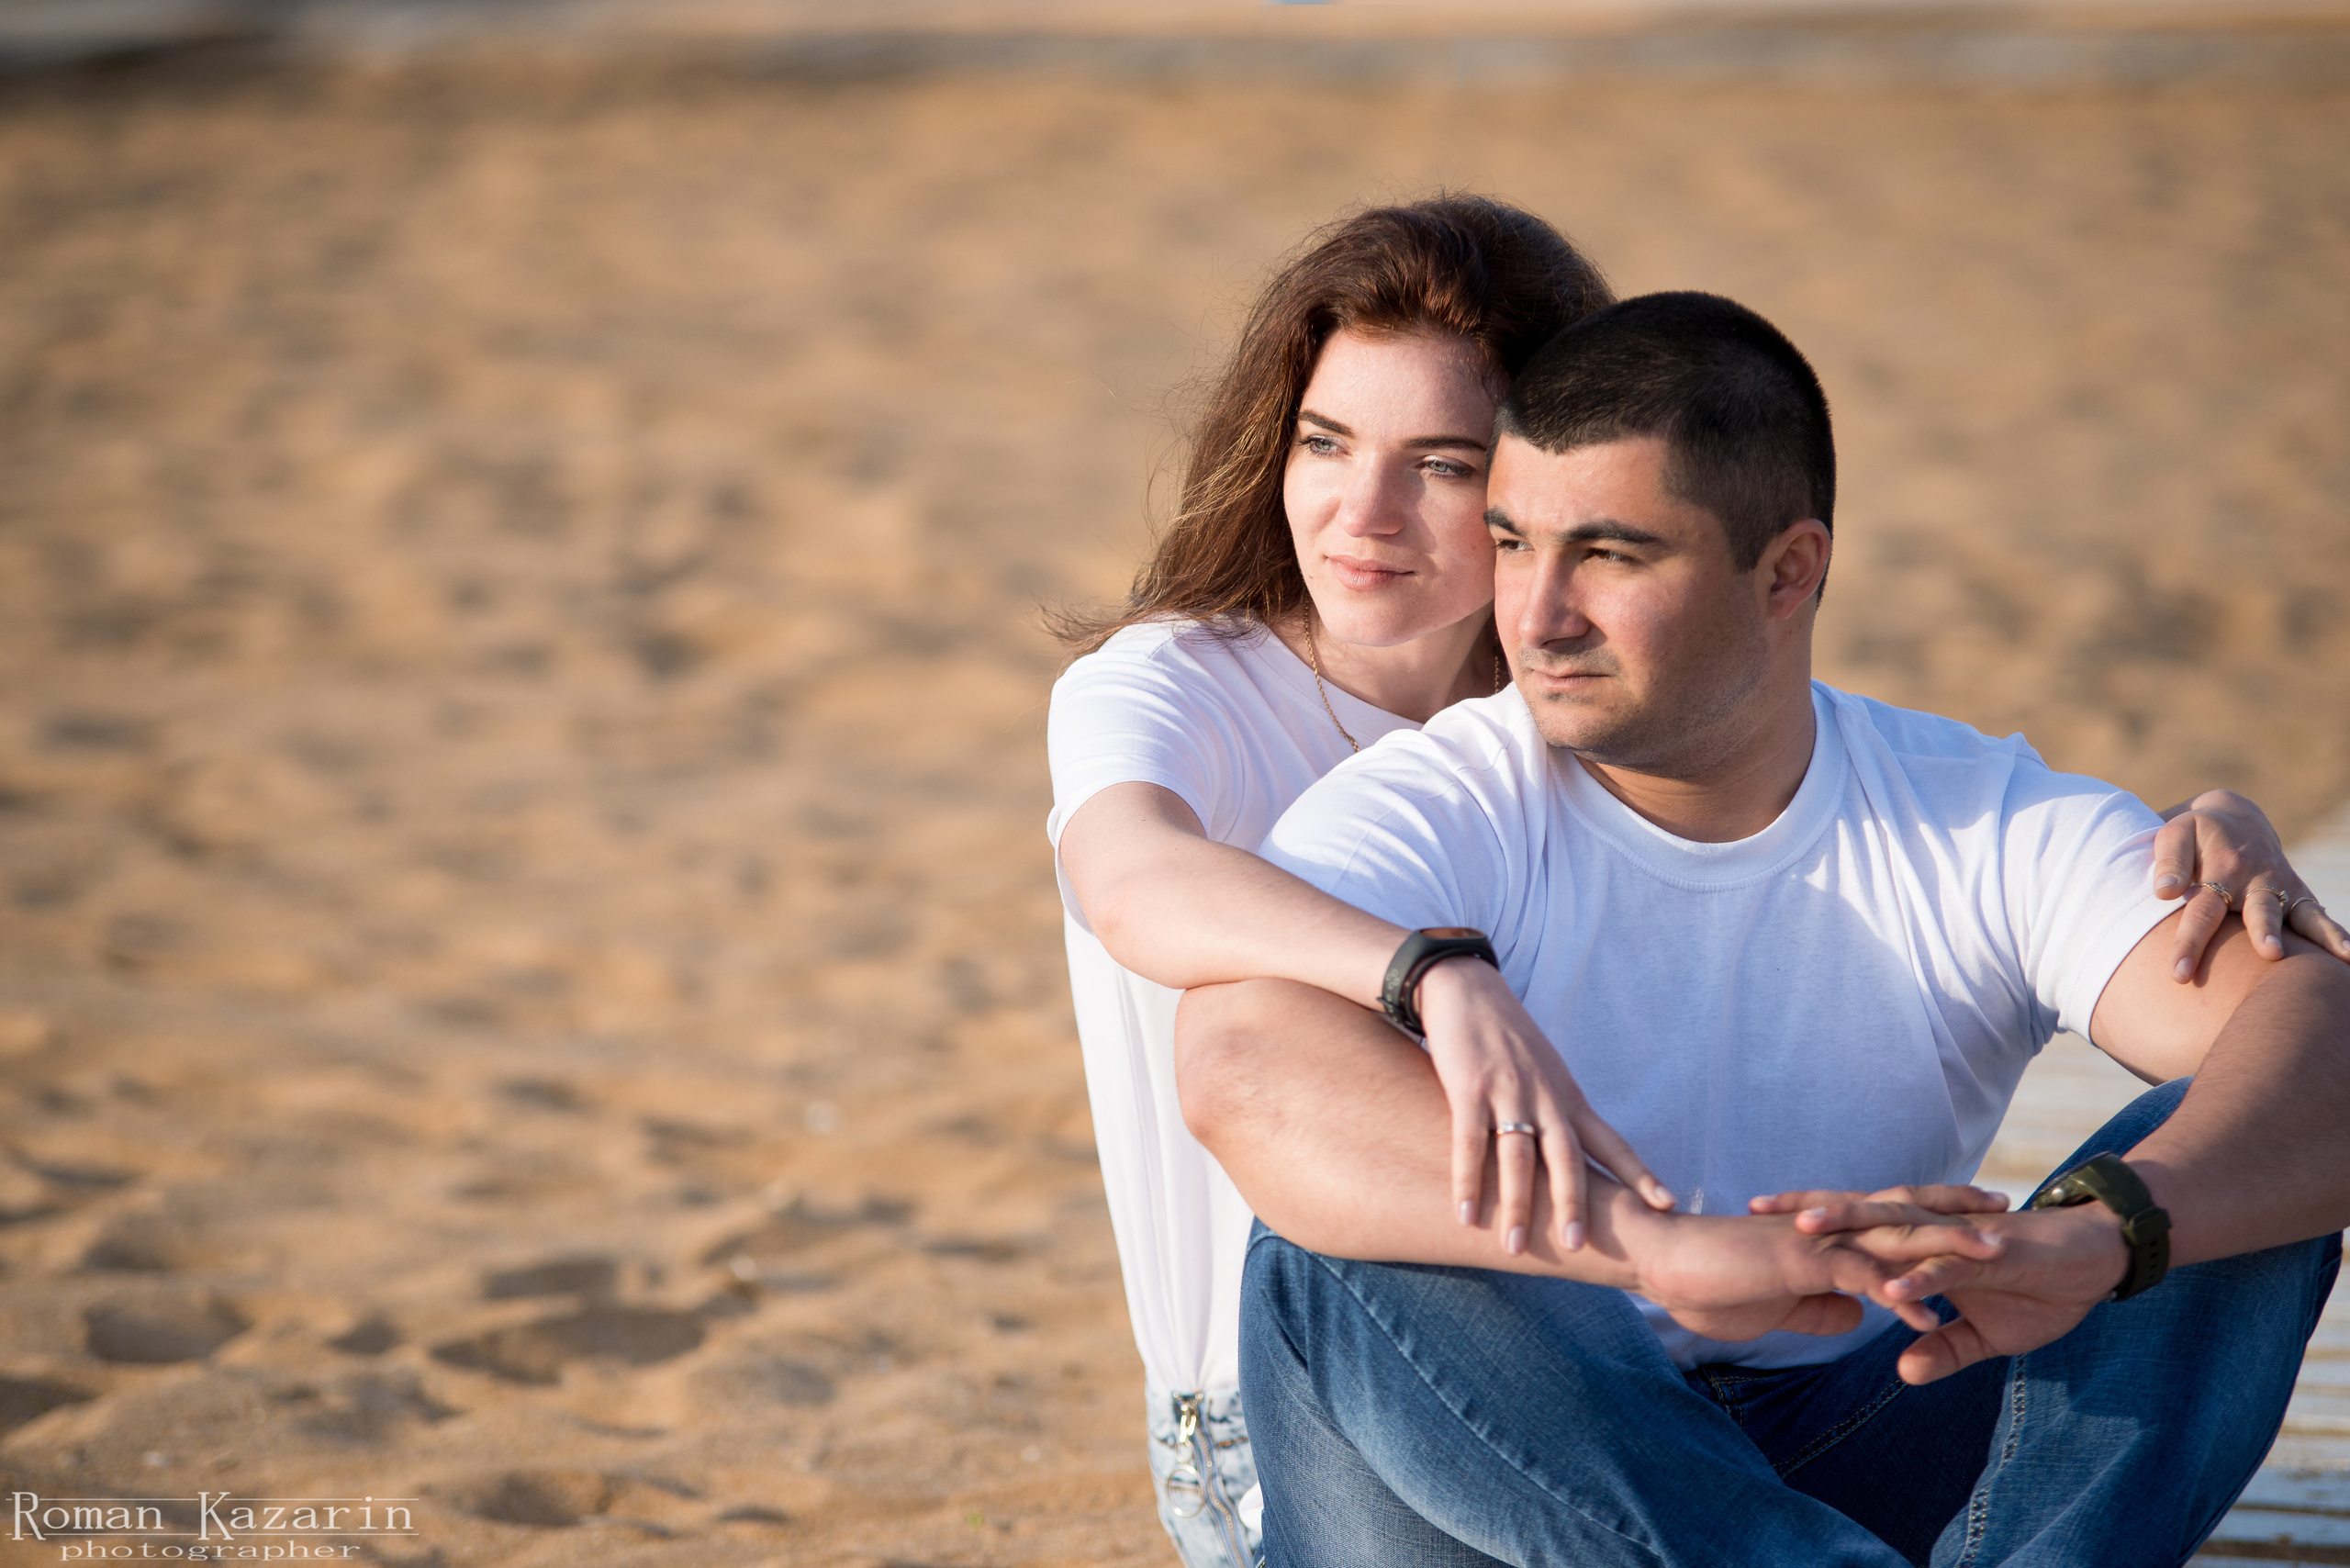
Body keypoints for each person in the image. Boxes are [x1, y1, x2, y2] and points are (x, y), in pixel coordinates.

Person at [1045, 199, 2346, 1568]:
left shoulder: (1962, 811)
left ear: (1790, 573)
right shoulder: (1386, 768)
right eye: (1519, 543)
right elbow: (1225, 1029)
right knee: (1331, 1250)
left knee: (2234, 1170)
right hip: (1448, 1426)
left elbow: (2318, 1052)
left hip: (1839, 1414)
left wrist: (2109, 1234)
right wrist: (1616, 1206)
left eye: (1605, 552)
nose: (1541, 614)